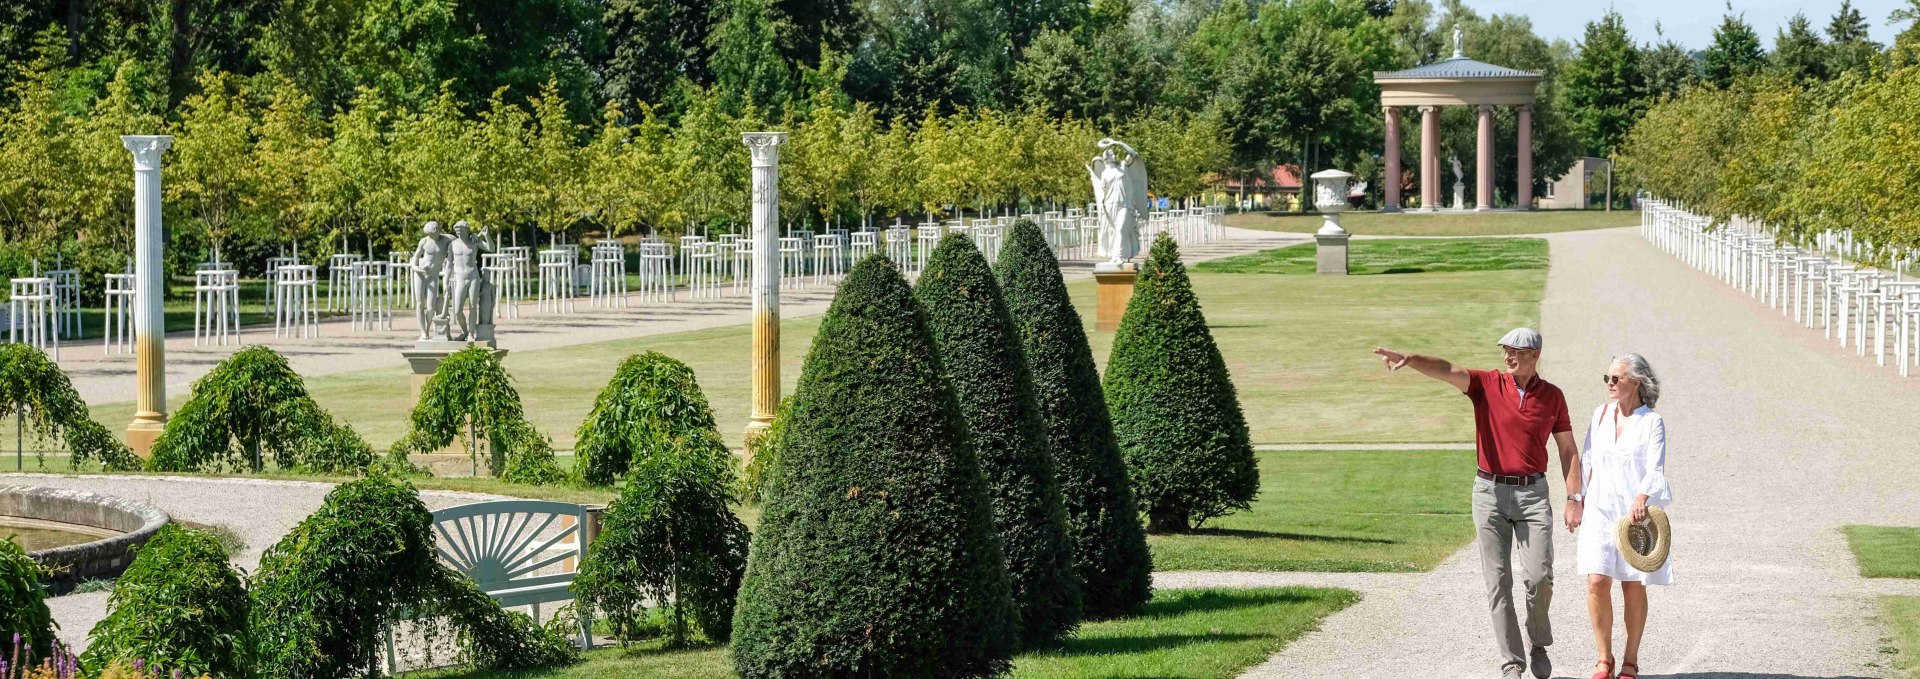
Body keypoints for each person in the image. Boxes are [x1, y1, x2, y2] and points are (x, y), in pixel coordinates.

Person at [1374, 328, 1583, 679]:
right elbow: (1448, 369)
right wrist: (1411, 361)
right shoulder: (1486, 385)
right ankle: (1512, 663)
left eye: (1515, 351)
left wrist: (1574, 497)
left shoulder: (1553, 397)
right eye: (1504, 350)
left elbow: (1568, 449)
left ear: (1535, 355)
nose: (1507, 357)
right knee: (1498, 581)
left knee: (1539, 576)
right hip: (1489, 493)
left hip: (1533, 494)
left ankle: (1538, 642)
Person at [1579, 354, 1671, 679]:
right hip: (1600, 511)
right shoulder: (1600, 415)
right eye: (1607, 378)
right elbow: (1587, 458)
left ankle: (1631, 660)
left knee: (1632, 585)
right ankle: (1604, 658)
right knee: (1596, 581)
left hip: (1635, 515)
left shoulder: (1651, 422)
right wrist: (1576, 498)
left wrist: (1642, 497)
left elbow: (1655, 467)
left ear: (1637, 382)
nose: (1610, 384)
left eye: (1616, 378)